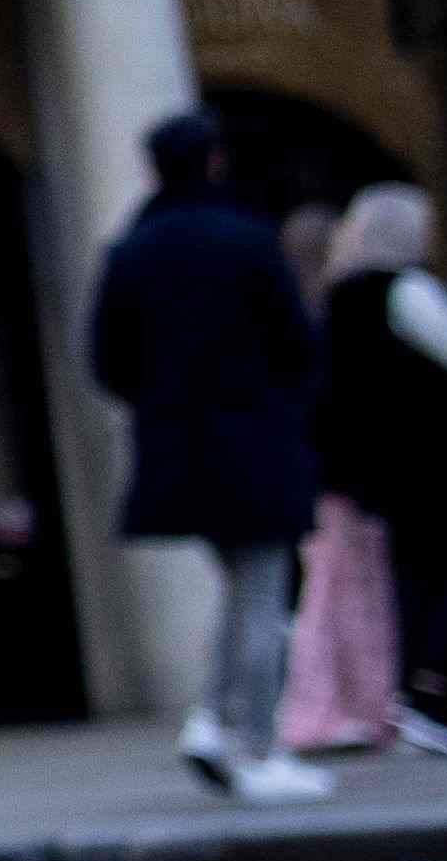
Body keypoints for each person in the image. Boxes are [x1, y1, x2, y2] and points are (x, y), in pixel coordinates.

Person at [88, 116, 330, 800]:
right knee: (262, 592)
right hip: (253, 436)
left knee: (241, 585)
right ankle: (255, 746)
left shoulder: (131, 251)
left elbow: (105, 361)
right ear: (215, 162)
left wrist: (163, 400)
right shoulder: (247, 241)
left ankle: (211, 722)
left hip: (175, 443)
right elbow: (296, 343)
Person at [310, 184, 447, 764]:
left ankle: (421, 695)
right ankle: (432, 693)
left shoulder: (339, 297)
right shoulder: (402, 289)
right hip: (434, 460)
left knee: (414, 581)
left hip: (380, 467)